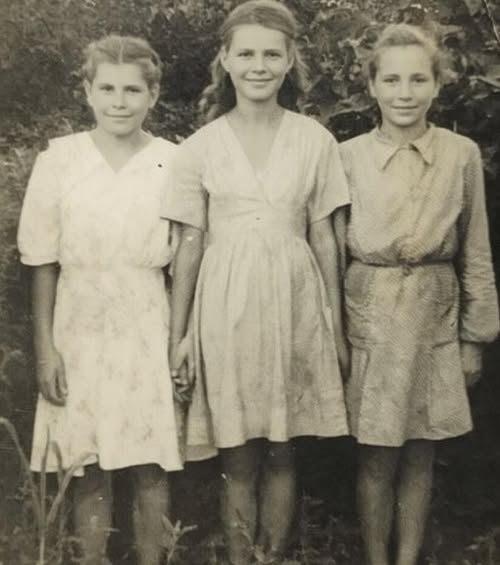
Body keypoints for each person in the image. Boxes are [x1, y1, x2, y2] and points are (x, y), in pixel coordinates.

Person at [161, 2, 350, 563]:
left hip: (294, 305)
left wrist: (336, 328)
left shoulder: (315, 140)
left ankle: (273, 555)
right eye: (245, 53)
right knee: (238, 453)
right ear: (225, 59)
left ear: (290, 61)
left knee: (284, 449)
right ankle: (243, 557)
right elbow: (189, 246)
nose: (258, 66)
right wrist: (180, 335)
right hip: (225, 308)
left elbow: (325, 240)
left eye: (271, 54)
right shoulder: (200, 146)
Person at [17, 35, 183, 565]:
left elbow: (186, 262)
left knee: (150, 462)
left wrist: (180, 341)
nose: (119, 102)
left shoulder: (173, 161)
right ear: (87, 91)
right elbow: (42, 259)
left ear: (153, 95)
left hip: (146, 319)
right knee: (87, 463)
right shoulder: (60, 160)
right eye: (107, 88)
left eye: (132, 90)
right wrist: (46, 349)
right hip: (79, 323)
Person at [340, 23, 500, 565]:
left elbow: (475, 249)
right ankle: (376, 558)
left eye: (417, 80)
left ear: (437, 85)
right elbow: (331, 253)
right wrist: (337, 336)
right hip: (371, 313)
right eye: (391, 80)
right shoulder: (347, 157)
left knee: (420, 450)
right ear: (371, 86)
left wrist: (475, 338)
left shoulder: (461, 155)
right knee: (376, 452)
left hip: (434, 314)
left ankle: (407, 559)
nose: (404, 93)